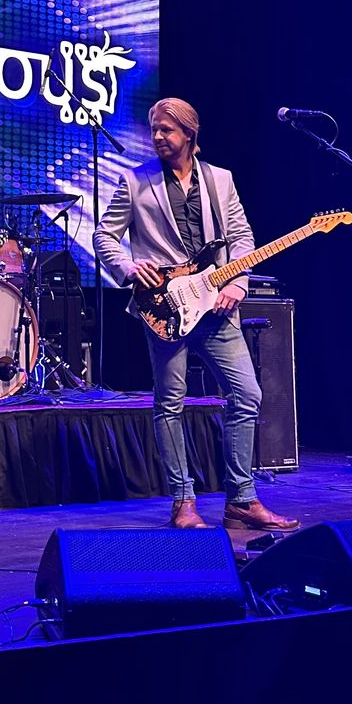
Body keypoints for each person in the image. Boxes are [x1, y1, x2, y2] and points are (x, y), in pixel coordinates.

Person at [94, 97, 298, 532]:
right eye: (154, 129)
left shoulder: (220, 179)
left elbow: (241, 237)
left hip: (216, 306)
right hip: (163, 308)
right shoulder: (134, 181)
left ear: (189, 133)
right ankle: (183, 502)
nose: (157, 137)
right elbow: (105, 236)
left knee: (247, 394)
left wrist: (237, 283)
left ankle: (241, 500)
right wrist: (127, 266)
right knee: (170, 402)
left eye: (166, 130)